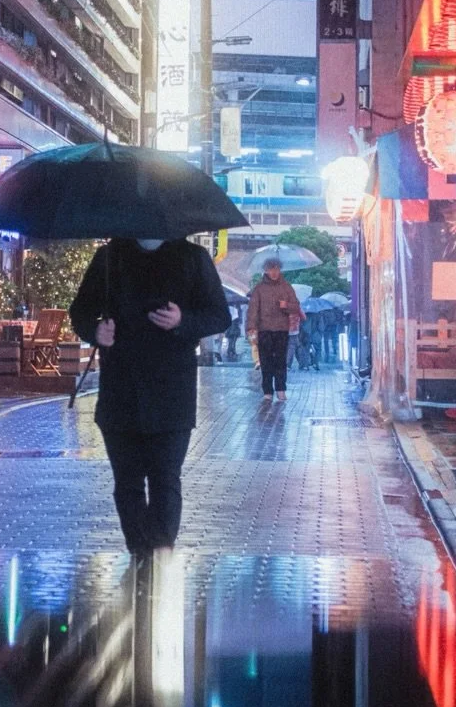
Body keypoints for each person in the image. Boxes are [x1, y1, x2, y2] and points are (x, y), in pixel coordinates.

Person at [70, 236, 232, 552]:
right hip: (120, 390)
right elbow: (81, 311)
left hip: (173, 392)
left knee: (165, 479)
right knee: (127, 482)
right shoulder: (110, 257)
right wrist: (96, 331)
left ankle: (160, 552)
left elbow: (219, 315)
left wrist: (183, 320)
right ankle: (140, 553)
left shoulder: (193, 258)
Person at [246, 257, 302, 404]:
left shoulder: (286, 287)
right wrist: (251, 328)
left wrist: (286, 305)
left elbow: (296, 307)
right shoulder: (259, 289)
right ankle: (267, 390)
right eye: (271, 269)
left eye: (276, 269)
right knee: (265, 361)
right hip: (264, 329)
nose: (274, 272)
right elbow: (253, 310)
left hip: (281, 329)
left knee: (280, 361)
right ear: (266, 270)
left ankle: (281, 389)